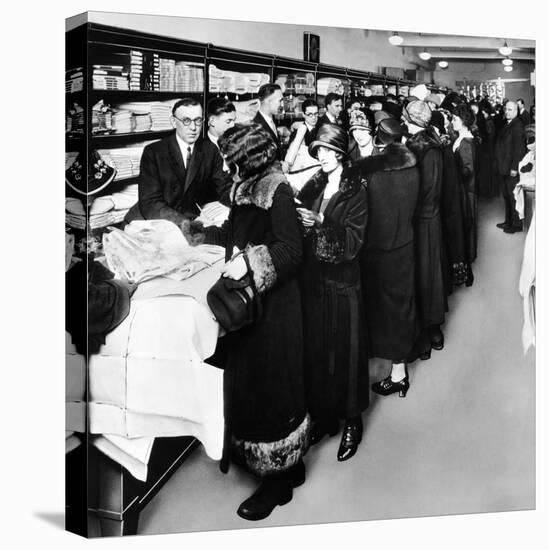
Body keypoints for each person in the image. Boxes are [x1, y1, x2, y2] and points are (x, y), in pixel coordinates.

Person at [182, 122, 308, 521]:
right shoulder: (246, 187)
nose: (224, 162)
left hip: (274, 310)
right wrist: (202, 238)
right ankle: (287, 467)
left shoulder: (276, 191)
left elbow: (291, 250)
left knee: (272, 387)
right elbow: (243, 234)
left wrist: (250, 262)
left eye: (228, 155)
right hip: (254, 305)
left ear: (244, 159)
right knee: (257, 383)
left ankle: (278, 481)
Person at [296, 124, 369, 462]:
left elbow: (354, 242)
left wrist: (320, 221)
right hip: (316, 283)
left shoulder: (356, 189)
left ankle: (352, 420)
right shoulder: (314, 183)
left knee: (349, 352)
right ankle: (324, 416)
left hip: (343, 284)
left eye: (326, 151)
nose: (320, 157)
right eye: (317, 151)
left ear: (340, 153)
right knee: (320, 352)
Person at [358, 118, 420, 398]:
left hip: (378, 250)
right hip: (405, 245)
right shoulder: (412, 167)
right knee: (401, 308)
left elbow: (364, 214)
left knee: (380, 310)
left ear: (377, 140)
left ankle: (394, 373)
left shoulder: (373, 172)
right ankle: (400, 369)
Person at [124, 98, 232, 225]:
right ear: (174, 122)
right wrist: (187, 222)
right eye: (186, 121)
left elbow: (224, 186)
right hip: (155, 220)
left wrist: (226, 202)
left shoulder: (210, 150)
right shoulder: (154, 152)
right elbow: (150, 202)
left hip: (191, 219)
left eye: (198, 120)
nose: (193, 127)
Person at [402, 100, 446, 360]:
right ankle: (434, 329)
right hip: (433, 216)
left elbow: (415, 188)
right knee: (432, 274)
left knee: (419, 276)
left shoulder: (417, 148)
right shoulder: (434, 143)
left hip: (419, 219)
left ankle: (423, 334)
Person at [431, 110, 468, 290]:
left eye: (452, 119)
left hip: (451, 194)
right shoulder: (447, 142)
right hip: (453, 193)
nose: (450, 123)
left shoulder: (446, 144)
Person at [451, 104, 477, 284]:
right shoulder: (462, 137)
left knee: (467, 223)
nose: (452, 122)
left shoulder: (466, 142)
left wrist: (453, 176)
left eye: (454, 119)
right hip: (464, 189)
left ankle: (468, 259)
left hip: (466, 190)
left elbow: (468, 169)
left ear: (463, 121)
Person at [494, 100, 527, 233]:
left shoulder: (517, 126)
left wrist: (514, 168)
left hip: (510, 168)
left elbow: (519, 150)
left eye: (510, 110)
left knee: (513, 197)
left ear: (516, 111)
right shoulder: (509, 124)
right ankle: (508, 222)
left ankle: (515, 225)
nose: (507, 112)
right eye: (506, 109)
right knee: (507, 196)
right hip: (504, 167)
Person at [253, 83, 287, 166]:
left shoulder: (271, 120)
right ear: (268, 101)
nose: (282, 105)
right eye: (280, 101)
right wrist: (279, 166)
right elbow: (259, 161)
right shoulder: (256, 126)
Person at [284, 99, 320, 171]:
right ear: (303, 114)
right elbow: (290, 156)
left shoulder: (320, 130)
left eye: (316, 114)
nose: (314, 117)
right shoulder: (298, 132)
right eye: (310, 114)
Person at [476, 100, 498, 198]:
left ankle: (488, 191)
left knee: (487, 171)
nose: (482, 115)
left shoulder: (488, 123)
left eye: (483, 113)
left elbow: (489, 137)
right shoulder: (489, 121)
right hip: (490, 150)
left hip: (488, 150)